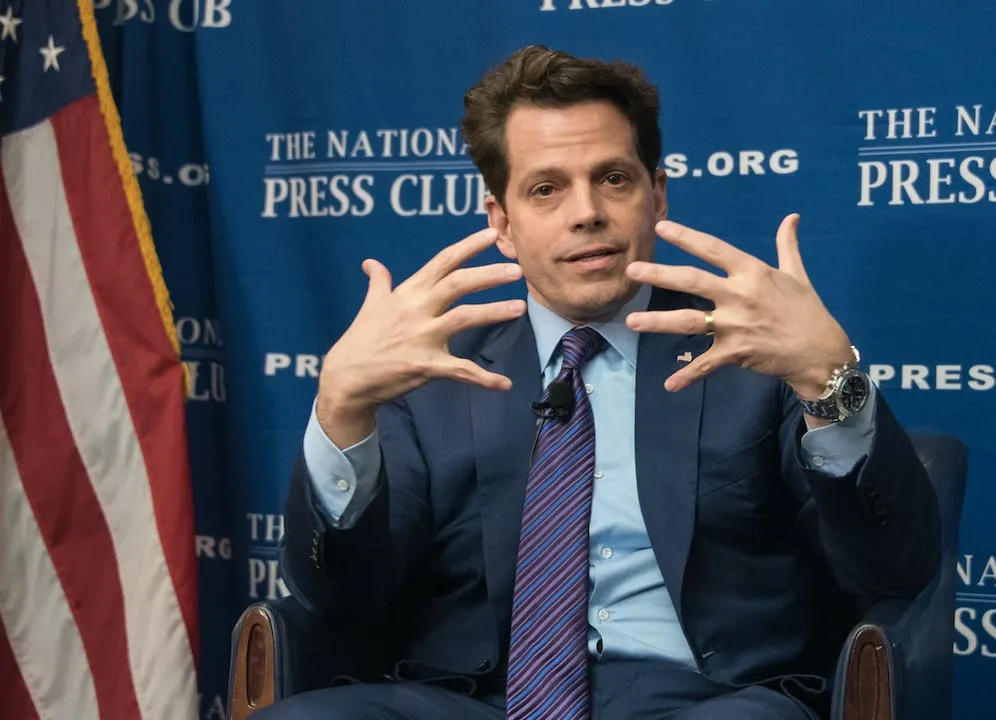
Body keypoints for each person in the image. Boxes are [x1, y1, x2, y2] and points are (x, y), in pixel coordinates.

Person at [266, 45, 941, 720]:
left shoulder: (756, 357)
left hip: (704, 702)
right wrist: (341, 413)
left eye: (614, 179)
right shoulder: (432, 371)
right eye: (545, 188)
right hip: (470, 702)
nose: (585, 212)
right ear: (502, 221)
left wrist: (832, 380)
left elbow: (892, 571)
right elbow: (342, 600)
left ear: (658, 193)